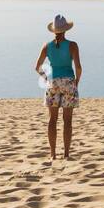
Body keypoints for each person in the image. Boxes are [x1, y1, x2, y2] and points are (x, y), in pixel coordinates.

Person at [34, 14, 82, 160]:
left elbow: (37, 67)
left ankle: (53, 154)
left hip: (53, 82)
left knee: (52, 119)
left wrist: (47, 78)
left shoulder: (47, 46)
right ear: (65, 30)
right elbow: (78, 68)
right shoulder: (72, 45)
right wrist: (76, 81)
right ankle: (66, 154)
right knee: (67, 120)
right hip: (68, 81)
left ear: (54, 30)